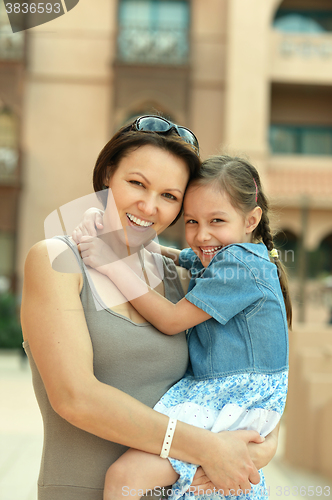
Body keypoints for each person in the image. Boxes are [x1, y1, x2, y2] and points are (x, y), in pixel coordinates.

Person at [21, 116, 278, 500]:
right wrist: (206, 449)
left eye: (170, 196)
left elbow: (252, 383)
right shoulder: (58, 260)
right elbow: (75, 397)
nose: (148, 205)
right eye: (137, 183)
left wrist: (256, 451)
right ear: (109, 175)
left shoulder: (183, 279)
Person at [78, 154, 291, 500]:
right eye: (191, 221)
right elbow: (174, 255)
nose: (202, 234)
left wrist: (113, 264)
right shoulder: (225, 254)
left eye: (216, 220)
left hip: (231, 397)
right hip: (236, 396)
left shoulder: (238, 265)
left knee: (124, 478)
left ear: (251, 219)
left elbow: (171, 319)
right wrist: (110, 229)